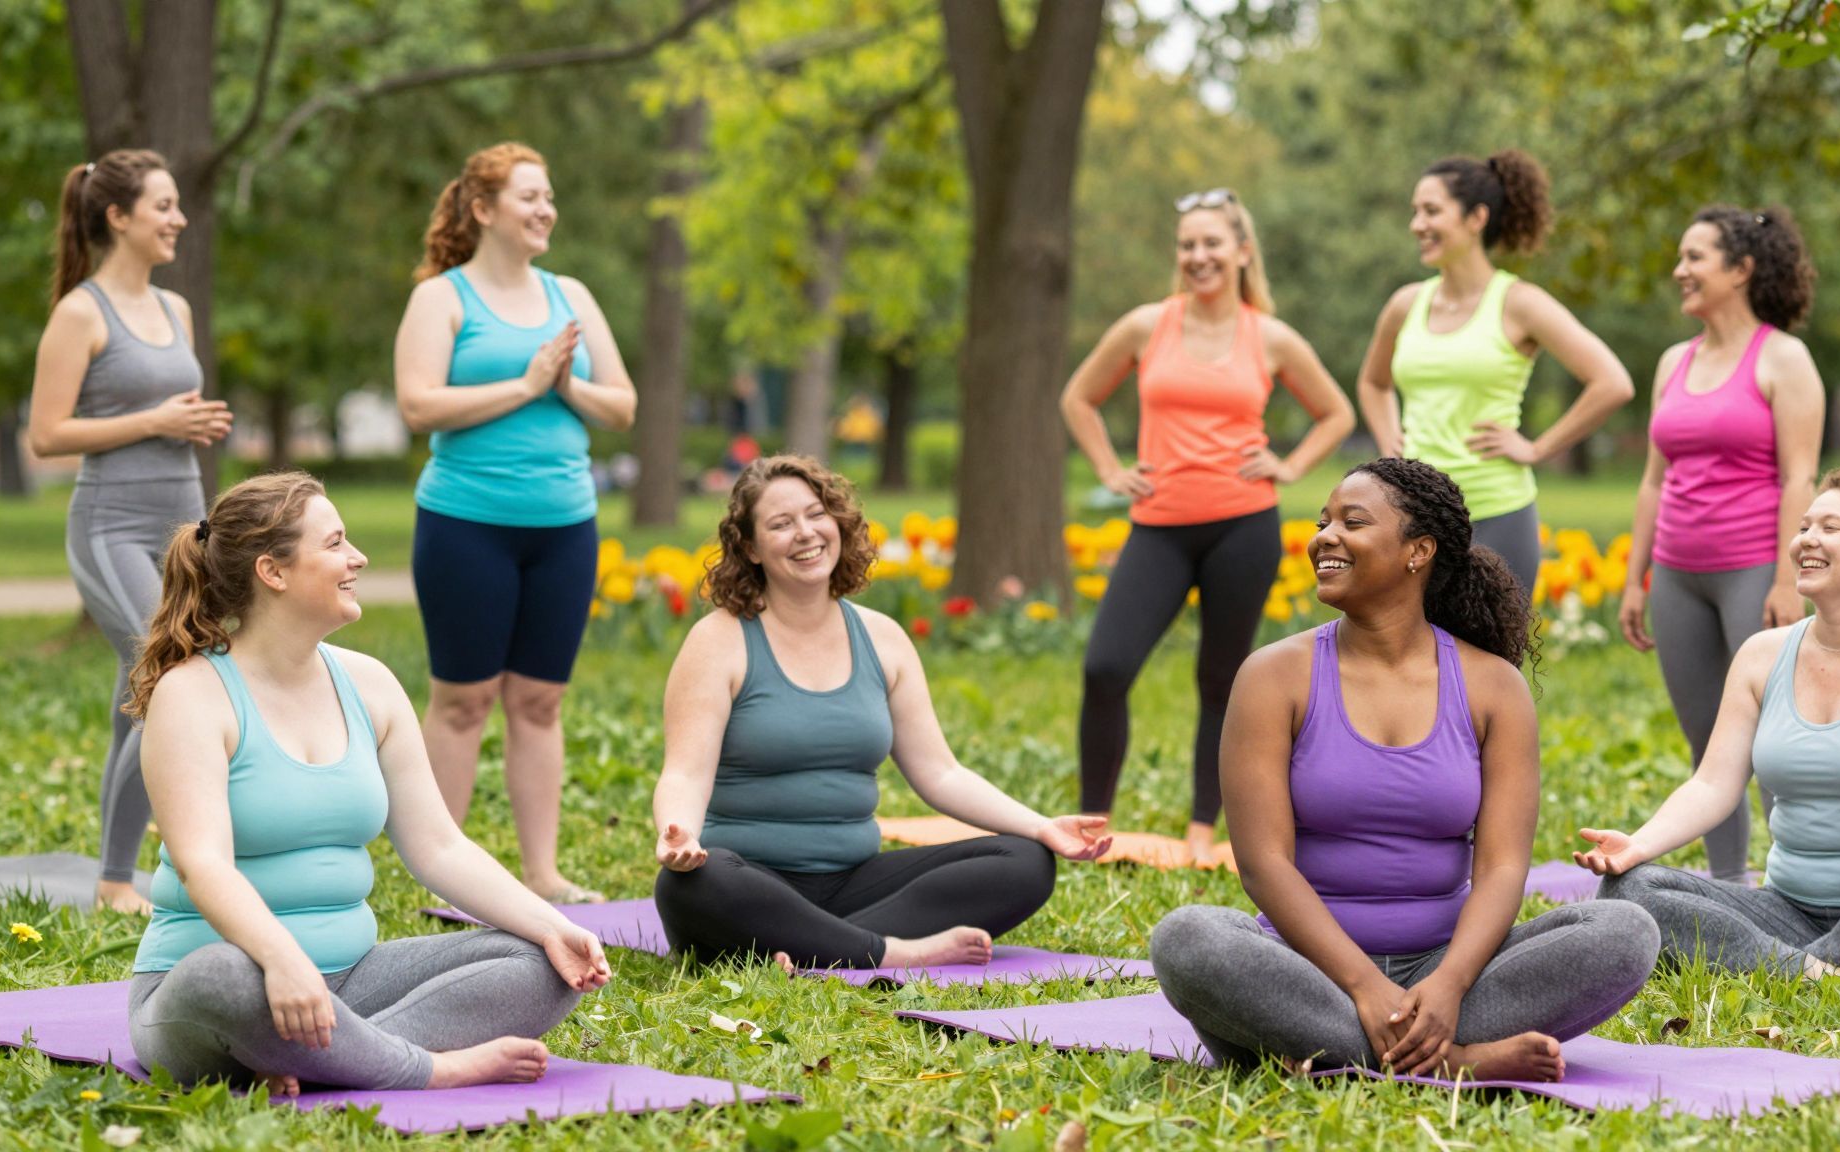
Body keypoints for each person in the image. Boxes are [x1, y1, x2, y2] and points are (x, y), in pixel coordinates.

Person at [1151, 460, 1656, 1079]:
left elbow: (1500, 867)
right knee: (1189, 939)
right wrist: (1363, 986)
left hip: (1451, 973)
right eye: (1323, 522)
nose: (1323, 537)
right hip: (1305, 970)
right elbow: (1263, 863)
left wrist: (1448, 986)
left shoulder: (1492, 686)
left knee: (1624, 930)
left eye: (1352, 522)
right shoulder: (1272, 675)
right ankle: (1453, 1062)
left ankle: (1325, 1053)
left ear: (1418, 551)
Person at [122, 472, 610, 1094]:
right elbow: (203, 865)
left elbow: (439, 846)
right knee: (225, 976)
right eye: (335, 544)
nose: (358, 558)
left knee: (544, 963)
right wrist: (280, 959)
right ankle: (427, 1068)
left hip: (354, 979)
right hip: (211, 989)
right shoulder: (192, 695)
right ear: (273, 572)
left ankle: (321, 1056)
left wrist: (550, 925)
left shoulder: (370, 684)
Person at [651, 456, 1112, 970]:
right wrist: (679, 833)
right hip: (749, 882)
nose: (805, 533)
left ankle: (811, 948)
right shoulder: (719, 640)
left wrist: (1041, 826)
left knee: (1025, 862)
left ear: (838, 524)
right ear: (752, 548)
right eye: (781, 524)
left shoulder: (882, 638)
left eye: (815, 515)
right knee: (691, 884)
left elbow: (940, 773)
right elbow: (685, 773)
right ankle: (892, 952)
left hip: (855, 885)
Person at [1579, 471, 1840, 980]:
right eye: (1803, 527)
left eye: (1830, 528)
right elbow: (1712, 784)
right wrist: (1637, 846)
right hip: (1790, 910)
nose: (1806, 540)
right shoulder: (1761, 655)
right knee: (1629, 890)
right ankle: (1826, 975)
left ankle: (1779, 966)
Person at [1060, 188, 1355, 864]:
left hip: (1242, 527)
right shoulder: (1146, 326)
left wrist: (1287, 464)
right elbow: (1078, 397)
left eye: (1212, 244)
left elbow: (1334, 412)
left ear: (1241, 252)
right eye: (1188, 245)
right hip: (1159, 526)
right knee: (1105, 667)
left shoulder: (1269, 336)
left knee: (1222, 680)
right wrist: (1109, 468)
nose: (1198, 256)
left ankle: (1201, 827)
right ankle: (1091, 820)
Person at [393, 142, 637, 902]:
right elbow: (418, 405)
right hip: (466, 524)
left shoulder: (572, 294)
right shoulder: (444, 298)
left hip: (564, 525)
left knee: (539, 701)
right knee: (462, 701)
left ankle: (542, 873)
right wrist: (526, 382)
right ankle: (443, 874)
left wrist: (565, 385)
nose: (546, 210)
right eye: (530, 196)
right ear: (483, 208)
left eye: (549, 195)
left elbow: (623, 406)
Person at [28, 149, 232, 914]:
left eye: (178, 205)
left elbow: (168, 418)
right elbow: (46, 436)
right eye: (164, 206)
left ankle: (115, 879)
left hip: (183, 525)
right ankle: (137, 871)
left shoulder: (174, 309)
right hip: (109, 527)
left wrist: (193, 426)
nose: (179, 219)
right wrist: (158, 419)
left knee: (139, 696)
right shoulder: (81, 312)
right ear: (118, 217)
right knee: (173, 678)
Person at [1616, 205, 1824, 881]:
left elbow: (1801, 475)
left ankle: (1798, 881)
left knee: (1774, 741)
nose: (1680, 271)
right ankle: (1730, 883)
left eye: (1695, 258)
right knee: (1708, 741)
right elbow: (1654, 480)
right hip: (1678, 575)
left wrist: (1789, 581)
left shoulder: (1783, 359)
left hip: (1755, 571)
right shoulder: (1673, 361)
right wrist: (1634, 577)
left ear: (1741, 269)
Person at [1354, 150, 1633, 597]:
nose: (1417, 225)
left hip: (1497, 512)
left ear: (1476, 217)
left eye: (1431, 211)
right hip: (1412, 514)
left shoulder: (1520, 303)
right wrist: (1388, 438)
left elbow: (1612, 382)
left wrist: (1538, 448)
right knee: (1411, 661)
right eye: (1415, 212)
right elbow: (1373, 382)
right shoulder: (1405, 305)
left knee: (1492, 663)